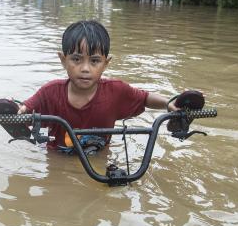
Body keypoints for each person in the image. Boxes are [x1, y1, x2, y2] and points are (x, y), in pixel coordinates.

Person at [17, 20, 181, 153]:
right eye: (76, 59)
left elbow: (145, 98)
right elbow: (25, 108)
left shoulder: (116, 91)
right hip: (58, 158)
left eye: (94, 61)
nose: (85, 68)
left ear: (106, 63)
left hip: (98, 158)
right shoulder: (50, 92)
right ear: (63, 60)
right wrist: (16, 110)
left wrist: (168, 103)